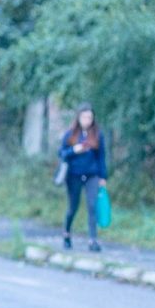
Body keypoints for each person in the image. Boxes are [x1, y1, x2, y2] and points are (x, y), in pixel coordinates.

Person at [58, 103, 108, 252]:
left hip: (92, 175)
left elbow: (101, 157)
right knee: (73, 207)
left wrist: (102, 176)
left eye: (90, 117)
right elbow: (61, 154)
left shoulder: (98, 135)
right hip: (74, 175)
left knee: (92, 206)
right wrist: (74, 150)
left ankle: (93, 240)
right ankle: (66, 234)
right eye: (84, 117)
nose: (87, 120)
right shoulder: (70, 135)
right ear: (79, 118)